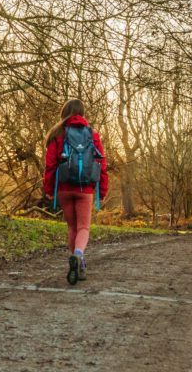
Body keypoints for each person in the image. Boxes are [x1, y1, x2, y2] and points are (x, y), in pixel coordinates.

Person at [41, 99, 108, 285]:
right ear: (82, 113)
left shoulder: (57, 134)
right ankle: (79, 256)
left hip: (64, 188)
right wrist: (102, 190)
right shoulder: (92, 134)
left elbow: (50, 165)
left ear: (64, 112)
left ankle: (77, 260)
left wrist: (49, 189)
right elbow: (101, 165)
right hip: (85, 188)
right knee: (83, 228)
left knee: (72, 227)